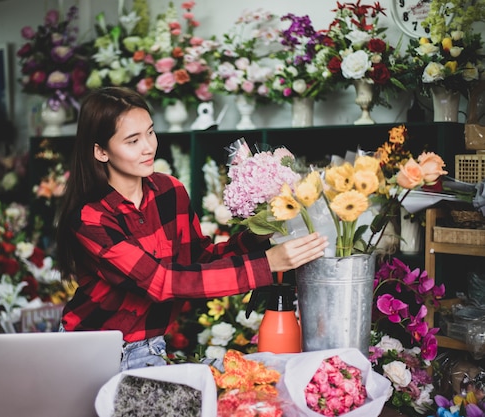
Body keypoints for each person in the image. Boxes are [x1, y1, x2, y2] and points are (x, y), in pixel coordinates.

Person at [55, 87, 328, 370]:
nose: (148, 147)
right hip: (91, 355)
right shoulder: (91, 218)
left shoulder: (169, 190)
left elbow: (199, 261)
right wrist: (267, 264)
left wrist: (262, 233)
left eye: (150, 132)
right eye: (133, 141)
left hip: (150, 349)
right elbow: (161, 283)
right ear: (101, 151)